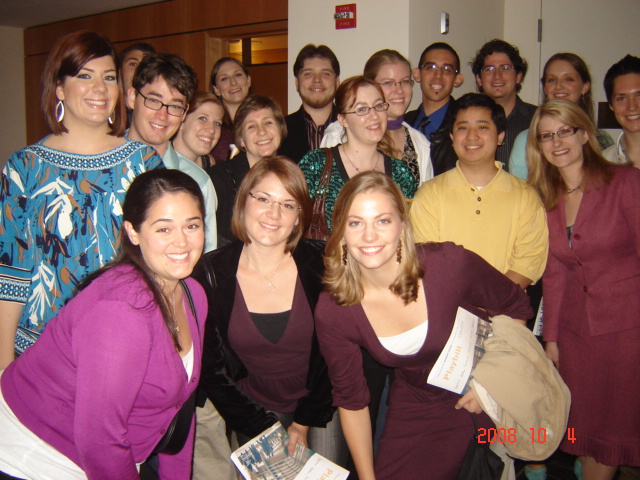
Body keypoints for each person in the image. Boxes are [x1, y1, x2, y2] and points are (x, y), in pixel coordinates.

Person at [314, 171, 532, 480]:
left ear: (402, 224)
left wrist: (490, 384)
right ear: (341, 230)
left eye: (382, 220)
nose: (369, 236)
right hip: (419, 398)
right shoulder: (335, 309)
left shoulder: (446, 265)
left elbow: (515, 306)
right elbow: (351, 401)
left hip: (484, 386)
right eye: (355, 222)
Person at [0, 169, 207, 479]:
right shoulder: (120, 311)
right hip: (35, 455)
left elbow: (180, 409)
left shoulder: (193, 294)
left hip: (109, 455)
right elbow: (99, 441)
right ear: (133, 233)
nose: (182, 242)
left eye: (192, 225)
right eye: (164, 229)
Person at [0, 30, 163, 369]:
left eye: (108, 78)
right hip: (41, 350)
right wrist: (3, 364)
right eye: (84, 76)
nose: (100, 89)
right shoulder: (24, 167)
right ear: (59, 87)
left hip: (125, 343)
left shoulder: (144, 163)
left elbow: (159, 263)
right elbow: (11, 273)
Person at [193, 157, 348, 477]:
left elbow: (333, 355)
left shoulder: (321, 262)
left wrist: (303, 423)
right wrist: (264, 428)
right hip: (252, 410)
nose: (273, 214)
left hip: (319, 403)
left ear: (298, 218)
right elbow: (213, 370)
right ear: (243, 201)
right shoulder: (211, 272)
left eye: (287, 205)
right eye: (263, 198)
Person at [527, 99, 640, 479]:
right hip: (578, 335)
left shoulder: (625, 182)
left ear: (585, 133)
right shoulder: (547, 197)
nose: (557, 142)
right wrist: (552, 339)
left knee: (615, 429)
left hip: (628, 331)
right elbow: (555, 274)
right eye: (546, 136)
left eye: (565, 131)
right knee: (589, 431)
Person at [299, 76, 417, 233]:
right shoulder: (316, 164)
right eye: (362, 109)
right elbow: (291, 220)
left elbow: (407, 234)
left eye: (378, 106)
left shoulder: (401, 173)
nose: (374, 116)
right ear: (343, 119)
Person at [127, 53, 218, 252]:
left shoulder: (197, 182)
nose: (162, 115)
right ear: (132, 97)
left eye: (175, 106)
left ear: (184, 113)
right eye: (153, 100)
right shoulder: (100, 167)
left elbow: (205, 258)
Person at [321, 49, 433, 186]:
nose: (399, 90)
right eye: (388, 83)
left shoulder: (419, 142)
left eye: (404, 82)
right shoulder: (338, 134)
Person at [510, 53, 614, 180]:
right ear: (545, 88)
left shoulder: (603, 141)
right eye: (551, 80)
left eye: (569, 79)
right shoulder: (526, 140)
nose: (558, 86)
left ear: (585, 86)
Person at [208, 95, 286, 247]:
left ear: (280, 129)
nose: (262, 132)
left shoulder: (290, 176)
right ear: (242, 139)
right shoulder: (218, 180)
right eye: (251, 126)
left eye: (268, 123)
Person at [471, 39, 537, 168]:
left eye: (505, 68)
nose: (497, 76)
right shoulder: (465, 121)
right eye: (489, 69)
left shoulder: (538, 119)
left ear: (518, 76)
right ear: (479, 78)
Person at [406, 42, 463, 175]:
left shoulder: (464, 126)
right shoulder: (404, 123)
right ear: (417, 74)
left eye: (447, 69)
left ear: (457, 79)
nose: (438, 75)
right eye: (430, 67)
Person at [279, 44, 341, 163]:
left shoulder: (352, 126)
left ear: (337, 82)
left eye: (325, 73)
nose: (317, 80)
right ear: (297, 83)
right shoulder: (280, 130)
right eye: (308, 74)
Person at [209, 58, 251, 163]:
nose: (233, 83)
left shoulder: (263, 122)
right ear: (216, 89)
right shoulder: (210, 126)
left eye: (238, 75)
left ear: (248, 80)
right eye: (224, 79)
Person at [603, 54, 640, 168]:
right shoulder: (604, 164)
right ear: (611, 105)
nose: (632, 106)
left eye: (639, 96)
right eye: (621, 98)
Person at [173, 92, 225, 170]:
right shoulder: (158, 163)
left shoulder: (209, 163)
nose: (211, 130)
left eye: (217, 123)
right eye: (202, 119)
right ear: (182, 120)